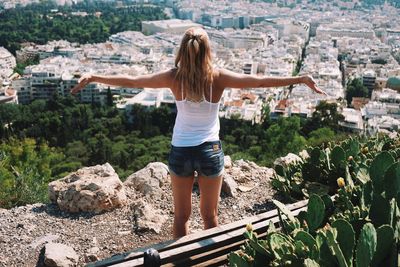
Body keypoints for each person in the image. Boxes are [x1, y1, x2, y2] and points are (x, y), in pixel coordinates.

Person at [71, 27, 326, 238]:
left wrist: (94, 76)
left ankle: (181, 260)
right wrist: (300, 79)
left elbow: (133, 81)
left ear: (183, 51)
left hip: (181, 151)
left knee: (181, 216)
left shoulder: (173, 77)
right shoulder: (219, 77)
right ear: (208, 51)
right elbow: (260, 82)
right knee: (210, 216)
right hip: (210, 151)